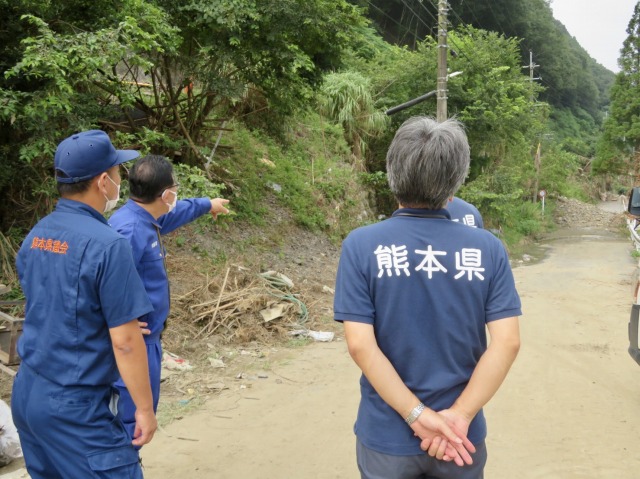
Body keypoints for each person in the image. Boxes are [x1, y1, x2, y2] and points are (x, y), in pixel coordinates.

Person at [334, 117, 521, 479]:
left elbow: (360, 345)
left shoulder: (361, 245)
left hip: (387, 435)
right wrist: (460, 415)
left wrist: (416, 416)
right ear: (455, 184)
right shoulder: (487, 249)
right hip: (460, 438)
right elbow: (507, 342)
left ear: (392, 174)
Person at [12, 130, 157, 478]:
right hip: (75, 408)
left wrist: (102, 324)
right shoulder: (108, 244)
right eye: (118, 172)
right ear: (103, 182)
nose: (120, 180)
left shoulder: (38, 234)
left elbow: (51, 305)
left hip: (28, 393)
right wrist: (144, 408)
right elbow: (126, 342)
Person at [108, 154, 230, 443]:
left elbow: (175, 214)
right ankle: (124, 462)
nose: (176, 193)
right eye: (175, 188)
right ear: (165, 195)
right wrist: (110, 323)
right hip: (137, 343)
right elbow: (104, 285)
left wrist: (207, 204)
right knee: (131, 422)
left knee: (135, 421)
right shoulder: (130, 231)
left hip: (148, 339)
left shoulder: (142, 217)